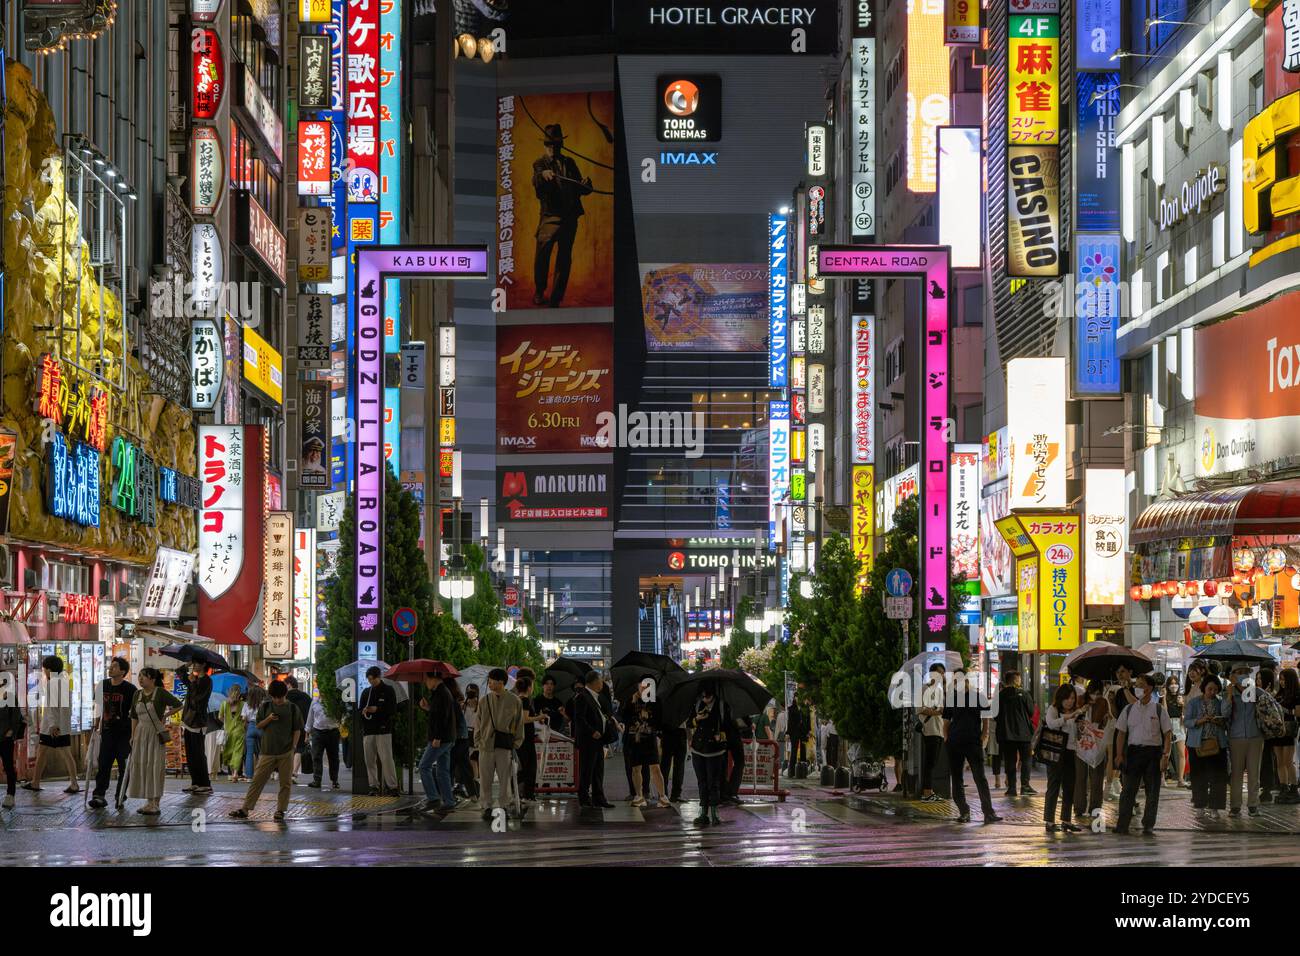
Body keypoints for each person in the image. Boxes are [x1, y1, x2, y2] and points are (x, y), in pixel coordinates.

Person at [530, 123, 594, 307]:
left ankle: (556, 299)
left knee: (564, 258)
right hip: (550, 217)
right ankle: (539, 291)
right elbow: (536, 179)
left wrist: (585, 184)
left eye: (554, 144)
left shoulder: (570, 163)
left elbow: (581, 189)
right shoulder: (540, 163)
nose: (551, 148)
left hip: (569, 217)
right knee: (542, 255)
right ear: (544, 145)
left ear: (561, 145)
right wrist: (543, 175)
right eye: (548, 144)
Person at [229, 680, 305, 821]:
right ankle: (245, 809)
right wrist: (269, 719)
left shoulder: (293, 708)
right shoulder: (265, 707)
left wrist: (293, 747)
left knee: (285, 783)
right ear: (271, 696)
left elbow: (297, 730)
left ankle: (280, 810)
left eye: (280, 697)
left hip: (286, 751)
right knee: (257, 781)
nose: (277, 700)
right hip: (267, 751)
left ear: (285, 695)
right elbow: (258, 725)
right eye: (274, 697)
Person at [1113, 673, 1173, 834]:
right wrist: (1119, 754)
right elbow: (1121, 733)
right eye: (1136, 685)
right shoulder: (1129, 709)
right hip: (1133, 752)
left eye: (1140, 685)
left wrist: (1165, 755)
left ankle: (1148, 824)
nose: (1137, 688)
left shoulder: (1159, 709)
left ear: (1149, 688)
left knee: (1152, 792)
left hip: (1154, 753)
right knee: (1128, 791)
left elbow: (1168, 734)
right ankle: (1122, 825)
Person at [943, 669, 1002, 824]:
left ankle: (988, 812)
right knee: (956, 778)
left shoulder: (978, 696)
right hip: (955, 742)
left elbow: (986, 719)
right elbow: (946, 722)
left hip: (973, 742)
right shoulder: (952, 698)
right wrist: (947, 738)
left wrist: (983, 736)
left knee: (980, 778)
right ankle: (964, 811)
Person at [126, 667, 182, 816]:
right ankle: (148, 801)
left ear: (152, 679)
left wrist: (165, 715)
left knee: (155, 766)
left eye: (143, 676)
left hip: (155, 733)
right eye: (139, 676)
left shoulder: (160, 693)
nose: (140, 679)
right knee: (142, 765)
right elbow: (134, 716)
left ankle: (155, 802)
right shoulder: (137, 694)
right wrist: (132, 736)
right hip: (140, 733)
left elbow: (178, 704)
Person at [474, 668, 524, 821]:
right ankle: (487, 806)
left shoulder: (515, 700)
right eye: (489, 682)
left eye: (492, 682)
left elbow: (519, 723)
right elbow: (478, 722)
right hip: (486, 745)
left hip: (504, 745)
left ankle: (504, 805)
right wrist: (477, 741)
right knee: (485, 778)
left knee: (504, 777)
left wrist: (517, 742)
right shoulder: (484, 700)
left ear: (501, 682)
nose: (490, 684)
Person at [25, 655, 78, 794]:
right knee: (57, 752)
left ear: (49, 669)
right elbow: (66, 707)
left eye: (44, 669)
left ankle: (37, 783)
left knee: (54, 752)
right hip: (61, 725)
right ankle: (37, 782)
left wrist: (54, 725)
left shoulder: (53, 683)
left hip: (52, 727)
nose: (44, 672)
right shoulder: (64, 682)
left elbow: (52, 707)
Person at [89, 656, 136, 808]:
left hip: (124, 733)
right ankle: (99, 795)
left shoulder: (130, 689)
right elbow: (98, 707)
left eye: (115, 666)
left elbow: (134, 713)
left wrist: (134, 734)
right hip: (107, 732)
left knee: (124, 766)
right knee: (104, 764)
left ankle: (120, 794)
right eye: (111, 666)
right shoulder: (102, 685)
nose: (110, 668)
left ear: (122, 671)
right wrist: (96, 724)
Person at [1184, 673, 1229, 820]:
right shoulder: (1194, 702)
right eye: (1210, 689)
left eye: (1215, 689)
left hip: (1218, 744)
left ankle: (1215, 807)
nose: (1212, 692)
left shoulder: (1221, 702)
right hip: (1197, 745)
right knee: (1198, 777)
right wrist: (1200, 720)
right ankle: (1200, 806)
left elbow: (1227, 721)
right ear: (1204, 688)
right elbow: (1187, 722)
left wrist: (1219, 721)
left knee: (1218, 777)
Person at [1224, 664, 1264, 817]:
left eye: (1246, 672)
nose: (1243, 675)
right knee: (1236, 773)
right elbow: (1225, 713)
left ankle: (1253, 805)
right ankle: (1235, 806)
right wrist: (1229, 695)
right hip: (1236, 737)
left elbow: (1268, 705)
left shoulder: (1256, 691)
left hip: (1256, 737)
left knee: (1254, 772)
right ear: (1232, 675)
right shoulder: (1230, 692)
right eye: (1239, 672)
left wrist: (1256, 690)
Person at [418, 667, 459, 814]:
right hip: (447, 737)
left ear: (434, 678)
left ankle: (433, 798)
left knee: (424, 766)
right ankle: (448, 802)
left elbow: (443, 718)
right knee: (442, 771)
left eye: (426, 679)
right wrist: (427, 707)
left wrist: (437, 737)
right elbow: (438, 713)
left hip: (441, 738)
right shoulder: (440, 693)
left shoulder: (442, 693)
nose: (425, 683)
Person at [624, 679, 671, 809]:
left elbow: (659, 720)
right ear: (638, 686)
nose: (644, 689)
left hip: (650, 739)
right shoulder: (631, 700)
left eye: (647, 686)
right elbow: (625, 718)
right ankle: (639, 796)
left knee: (655, 767)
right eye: (642, 686)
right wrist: (633, 702)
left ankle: (662, 796)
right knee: (636, 768)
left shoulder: (656, 701)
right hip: (635, 739)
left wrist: (648, 718)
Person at [1043, 684, 1083, 832]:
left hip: (1070, 753)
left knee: (1069, 786)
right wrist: (1067, 717)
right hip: (1055, 752)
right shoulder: (1054, 710)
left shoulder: (1076, 713)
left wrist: (1081, 727)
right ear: (1061, 698)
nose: (1070, 701)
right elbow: (1051, 724)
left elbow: (1076, 735)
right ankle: (1049, 821)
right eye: (1067, 698)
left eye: (1072, 698)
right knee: (1053, 785)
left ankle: (1066, 820)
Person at [572, 670, 614, 809]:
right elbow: (579, 718)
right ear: (595, 681)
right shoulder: (582, 696)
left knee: (598, 770)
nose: (602, 683)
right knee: (587, 770)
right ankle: (584, 798)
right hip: (588, 741)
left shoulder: (595, 696)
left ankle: (598, 797)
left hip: (598, 740)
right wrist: (592, 731)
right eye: (601, 680)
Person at [689, 682, 728, 826]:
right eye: (703, 697)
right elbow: (689, 722)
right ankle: (703, 812)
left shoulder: (722, 706)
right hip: (698, 748)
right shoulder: (697, 704)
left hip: (715, 750)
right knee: (702, 782)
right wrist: (697, 719)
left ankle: (714, 812)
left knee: (713, 782)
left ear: (713, 695)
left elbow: (728, 725)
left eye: (708, 697)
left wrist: (721, 734)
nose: (705, 699)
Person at [1072, 680, 1110, 821]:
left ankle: (1095, 808)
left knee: (1097, 778)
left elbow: (1105, 722)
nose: (1095, 696)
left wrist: (1104, 719)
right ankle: (1079, 807)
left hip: (1097, 742)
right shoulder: (1080, 700)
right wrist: (1083, 711)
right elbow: (1075, 718)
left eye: (1098, 693)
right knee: (1080, 777)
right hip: (1082, 742)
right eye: (1093, 693)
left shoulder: (1104, 702)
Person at [358, 666, 399, 796]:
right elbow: (360, 710)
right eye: (369, 680)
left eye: (372, 679)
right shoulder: (366, 692)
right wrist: (364, 712)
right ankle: (373, 786)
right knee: (369, 759)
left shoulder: (388, 690)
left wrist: (377, 710)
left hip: (383, 730)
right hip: (369, 730)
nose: (371, 682)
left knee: (386, 758)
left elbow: (392, 710)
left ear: (378, 677)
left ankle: (392, 786)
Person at [995, 671, 1035, 796]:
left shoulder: (1000, 696)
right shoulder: (1024, 694)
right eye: (1019, 679)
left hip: (1006, 734)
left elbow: (995, 715)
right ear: (1016, 680)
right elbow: (1031, 712)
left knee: (1010, 761)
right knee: (1026, 759)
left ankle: (1012, 788)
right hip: (1024, 733)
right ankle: (1025, 786)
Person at [179, 664, 213, 795]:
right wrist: (186, 665)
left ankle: (205, 783)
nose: (194, 666)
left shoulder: (206, 681)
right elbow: (182, 675)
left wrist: (193, 683)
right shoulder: (196, 679)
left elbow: (198, 699)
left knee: (198, 753)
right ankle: (195, 782)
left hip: (198, 721)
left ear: (204, 665)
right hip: (188, 720)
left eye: (196, 663)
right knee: (191, 754)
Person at [513, 675, 546, 806]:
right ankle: (528, 795)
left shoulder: (517, 699)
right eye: (532, 685)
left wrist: (537, 717)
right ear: (528, 687)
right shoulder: (525, 700)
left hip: (522, 737)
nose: (533, 688)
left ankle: (519, 793)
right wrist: (539, 717)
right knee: (529, 768)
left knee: (525, 767)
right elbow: (525, 719)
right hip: (525, 738)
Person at [918, 663, 946, 802]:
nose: (941, 675)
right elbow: (920, 709)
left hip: (939, 730)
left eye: (942, 673)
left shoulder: (940, 690)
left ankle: (929, 791)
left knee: (933, 762)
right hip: (930, 730)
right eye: (939, 672)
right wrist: (936, 712)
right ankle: (926, 792)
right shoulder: (924, 689)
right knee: (930, 762)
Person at [1273, 667, 1300, 804]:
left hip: (1289, 729)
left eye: (1284, 679)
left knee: (1288, 761)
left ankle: (1294, 789)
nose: (1282, 682)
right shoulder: (1279, 694)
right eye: (1280, 679)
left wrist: (1282, 709)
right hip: (1278, 730)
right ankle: (1284, 787)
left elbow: (1298, 713)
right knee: (1280, 762)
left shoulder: (1296, 694)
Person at [305, 693, 341, 790]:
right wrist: (307, 733)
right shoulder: (315, 701)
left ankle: (335, 780)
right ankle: (317, 780)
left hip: (333, 731)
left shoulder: (335, 701)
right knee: (316, 756)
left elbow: (342, 714)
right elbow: (310, 717)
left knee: (333, 757)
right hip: (318, 732)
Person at [1, 678, 27, 810]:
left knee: (8, 766)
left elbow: (16, 718)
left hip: (5, 739)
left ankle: (10, 795)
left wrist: (11, 731)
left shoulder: (11, 698)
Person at [284, 676, 313, 783]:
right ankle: (294, 773)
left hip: (288, 727)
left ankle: (286, 772)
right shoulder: (305, 697)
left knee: (288, 748)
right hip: (303, 726)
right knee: (300, 748)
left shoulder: (285, 697)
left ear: (289, 685)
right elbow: (311, 712)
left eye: (285, 685)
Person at [219, 685, 247, 782]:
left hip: (228, 731)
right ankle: (235, 773)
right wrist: (242, 725)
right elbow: (244, 718)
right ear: (239, 694)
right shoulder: (243, 704)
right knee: (238, 752)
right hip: (239, 731)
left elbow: (220, 717)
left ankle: (231, 774)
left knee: (229, 752)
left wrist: (226, 722)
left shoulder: (224, 703)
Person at [660, 714, 688, 803]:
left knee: (670, 765)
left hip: (673, 731)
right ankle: (668, 794)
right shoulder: (683, 702)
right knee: (669, 766)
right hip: (671, 731)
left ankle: (669, 794)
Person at [1164, 676, 1186, 789]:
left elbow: (1184, 714)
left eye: (1175, 683)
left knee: (1181, 753)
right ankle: (1162, 778)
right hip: (1168, 724)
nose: (1173, 686)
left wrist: (1183, 705)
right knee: (1166, 754)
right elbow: (1165, 711)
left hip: (1179, 725)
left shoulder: (1181, 697)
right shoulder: (1165, 697)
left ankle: (1181, 779)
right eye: (1171, 684)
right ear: (1167, 685)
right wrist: (1163, 697)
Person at [242, 684, 267, 781]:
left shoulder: (246, 704)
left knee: (249, 753)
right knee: (262, 753)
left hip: (250, 727)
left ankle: (249, 777)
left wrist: (247, 729)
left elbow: (244, 720)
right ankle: (261, 775)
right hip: (261, 727)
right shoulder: (264, 704)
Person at [464, 683, 481, 798]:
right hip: (465, 735)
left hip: (476, 735)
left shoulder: (480, 706)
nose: (470, 693)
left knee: (474, 760)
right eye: (469, 691)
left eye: (473, 691)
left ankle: (476, 785)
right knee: (468, 761)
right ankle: (472, 786)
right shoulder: (463, 706)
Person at [786, 697, 808, 776]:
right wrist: (788, 733)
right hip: (794, 732)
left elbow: (807, 720)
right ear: (794, 699)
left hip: (803, 732)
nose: (798, 698)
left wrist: (808, 730)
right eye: (796, 697)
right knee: (794, 750)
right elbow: (790, 721)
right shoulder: (791, 708)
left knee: (803, 750)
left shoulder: (804, 708)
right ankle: (792, 771)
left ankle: (802, 771)